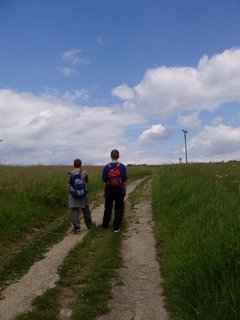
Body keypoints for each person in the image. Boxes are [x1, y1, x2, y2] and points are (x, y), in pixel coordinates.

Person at [66, 159, 95, 233]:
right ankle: (89, 225)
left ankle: (77, 228)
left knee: (74, 211)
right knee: (86, 210)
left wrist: (68, 194)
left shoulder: (69, 173)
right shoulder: (84, 172)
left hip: (73, 194)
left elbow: (68, 184)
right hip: (83, 194)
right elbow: (87, 181)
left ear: (73, 165)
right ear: (81, 164)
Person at [102, 149, 128, 232]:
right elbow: (124, 179)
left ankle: (105, 224)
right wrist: (124, 190)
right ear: (118, 156)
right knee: (119, 208)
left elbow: (104, 179)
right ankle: (116, 227)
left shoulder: (106, 167)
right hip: (120, 190)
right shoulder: (122, 166)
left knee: (108, 208)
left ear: (111, 156)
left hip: (109, 190)